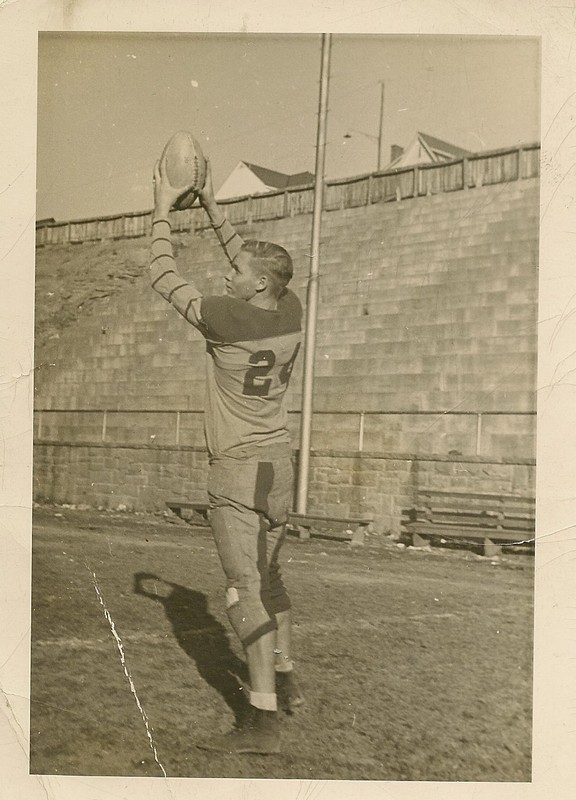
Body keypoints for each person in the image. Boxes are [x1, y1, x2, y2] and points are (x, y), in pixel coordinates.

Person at [149, 156, 304, 755]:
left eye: (237, 270)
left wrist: (164, 206)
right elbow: (251, 255)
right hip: (280, 465)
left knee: (243, 590)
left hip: (238, 468)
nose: (229, 270)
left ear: (259, 282)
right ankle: (285, 676)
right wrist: (212, 204)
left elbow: (163, 274)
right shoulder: (289, 309)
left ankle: (260, 717)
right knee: (272, 577)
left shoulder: (227, 318)